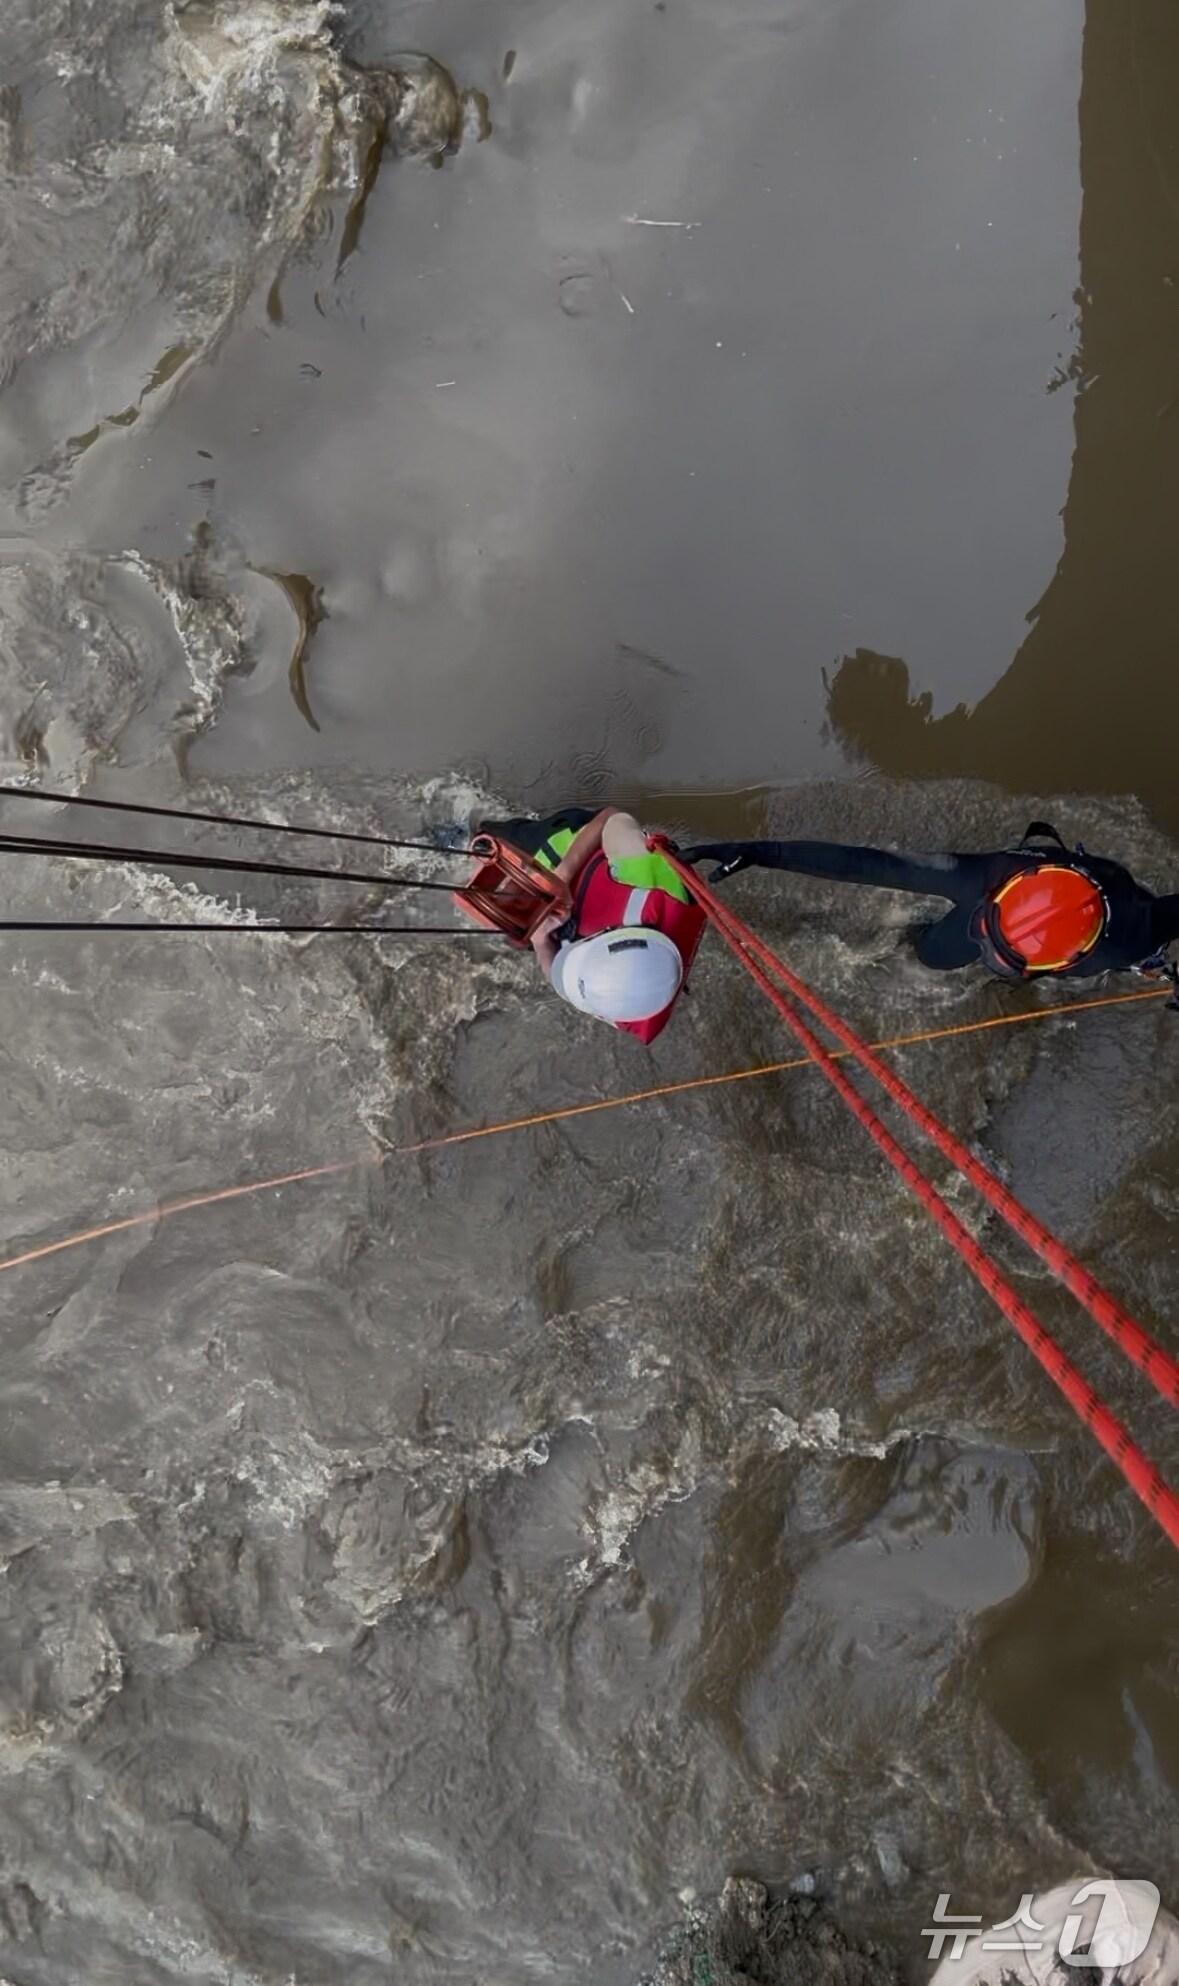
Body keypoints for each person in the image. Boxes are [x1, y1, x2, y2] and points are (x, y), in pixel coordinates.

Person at [683, 820, 1179, 984]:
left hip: (1116, 907)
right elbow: (861, 864)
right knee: (930, 956)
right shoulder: (986, 876)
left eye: (999, 958)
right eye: (987, 934)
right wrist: (753, 851)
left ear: (1069, 961)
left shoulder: (1127, 945)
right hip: (1054, 885)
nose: (980, 946)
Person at [476, 806, 706, 1041]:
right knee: (487, 840)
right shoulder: (650, 879)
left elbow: (559, 976)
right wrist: (562, 876)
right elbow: (610, 817)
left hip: (559, 920)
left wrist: (541, 941)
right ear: (613, 935)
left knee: (502, 923)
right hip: (572, 852)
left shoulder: (618, 999)